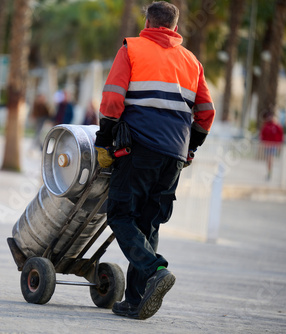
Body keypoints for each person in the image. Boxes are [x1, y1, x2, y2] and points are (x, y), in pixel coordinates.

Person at [94, 2, 215, 320]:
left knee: (120, 214)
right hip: (174, 156)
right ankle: (135, 300)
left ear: (147, 22)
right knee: (148, 223)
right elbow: (206, 114)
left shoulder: (132, 48)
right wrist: (191, 149)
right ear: (175, 28)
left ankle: (155, 269)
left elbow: (112, 99)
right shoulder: (192, 61)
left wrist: (103, 141)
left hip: (138, 150)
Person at [260, 112, 284, 180]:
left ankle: (270, 173)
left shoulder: (276, 126)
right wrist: (263, 143)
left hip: (273, 145)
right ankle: (269, 172)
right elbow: (262, 135)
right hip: (267, 145)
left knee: (270, 159)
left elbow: (280, 135)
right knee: (268, 160)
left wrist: (279, 144)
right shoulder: (266, 126)